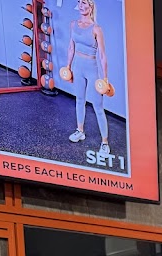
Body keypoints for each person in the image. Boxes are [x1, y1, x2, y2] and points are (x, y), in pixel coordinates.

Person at [65, 0, 110, 155]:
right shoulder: (73, 24)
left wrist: (105, 79)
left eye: (84, 2)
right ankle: (80, 131)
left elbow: (102, 55)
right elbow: (71, 47)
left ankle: (104, 143)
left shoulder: (96, 29)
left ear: (91, 6)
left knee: (98, 106)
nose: (81, 5)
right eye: (79, 2)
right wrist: (68, 67)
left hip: (91, 69)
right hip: (77, 67)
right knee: (79, 100)